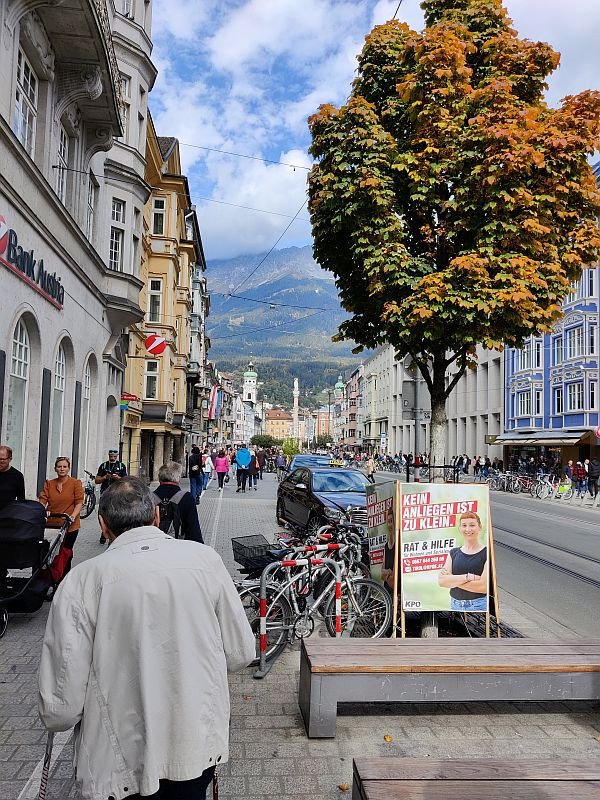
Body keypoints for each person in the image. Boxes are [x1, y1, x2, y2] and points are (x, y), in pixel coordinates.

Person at [38, 477, 255, 800]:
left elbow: (61, 709)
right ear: (156, 516)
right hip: (194, 749)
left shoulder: (82, 582)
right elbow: (241, 653)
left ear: (103, 525)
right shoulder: (205, 560)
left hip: (118, 763)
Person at [39, 457, 84, 577]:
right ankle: (48, 576)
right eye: (59, 466)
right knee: (49, 553)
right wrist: (42, 510)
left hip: (70, 525)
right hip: (52, 524)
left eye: (64, 466)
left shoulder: (75, 483)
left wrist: (73, 516)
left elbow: (79, 502)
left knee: (65, 552)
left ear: (68, 468)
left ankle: (64, 577)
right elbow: (42, 500)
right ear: (55, 469)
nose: (62, 469)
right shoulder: (49, 483)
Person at [438, 511, 488, 612]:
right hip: (454, 605)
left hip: (479, 605)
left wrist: (452, 581)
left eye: (472, 525)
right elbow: (442, 582)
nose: (468, 529)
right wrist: (469, 577)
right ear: (460, 528)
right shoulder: (453, 553)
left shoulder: (486, 553)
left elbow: (483, 587)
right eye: (464, 525)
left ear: (480, 526)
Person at [153, 461, 202, 542]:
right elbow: (193, 529)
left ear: (159, 477)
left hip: (154, 547)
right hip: (180, 547)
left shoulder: (149, 497)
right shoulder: (186, 498)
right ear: (178, 478)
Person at [96, 448, 127, 544]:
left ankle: (112, 532)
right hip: (105, 493)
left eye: (114, 456)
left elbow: (126, 481)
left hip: (117, 493)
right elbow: (97, 480)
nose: (113, 458)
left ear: (117, 456)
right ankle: (103, 530)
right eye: (111, 456)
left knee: (115, 514)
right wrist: (105, 477)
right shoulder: (103, 465)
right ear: (108, 456)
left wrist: (118, 478)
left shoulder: (121, 466)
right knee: (102, 513)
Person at [0, 445, 25, 510]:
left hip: (8, 514)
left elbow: (21, 499)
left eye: (2, 459)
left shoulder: (17, 476)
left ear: (10, 459)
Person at [380, 510, 398, 595]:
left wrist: (385, 574)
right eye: (388, 522)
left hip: (394, 593)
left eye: (391, 521)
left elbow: (393, 582)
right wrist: (388, 573)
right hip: (386, 591)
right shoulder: (386, 546)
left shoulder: (397, 546)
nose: (390, 525)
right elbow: (381, 574)